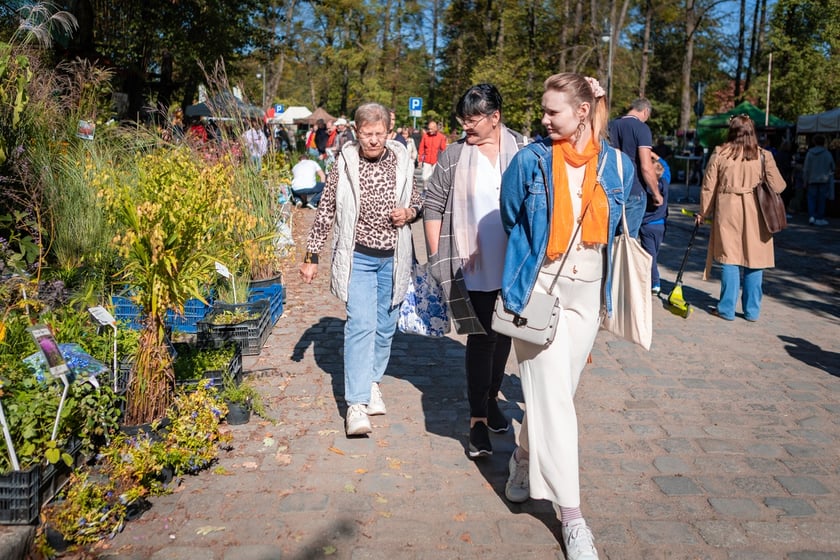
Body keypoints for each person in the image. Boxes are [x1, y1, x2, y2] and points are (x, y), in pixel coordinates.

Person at [498, 73, 632, 560]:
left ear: (581, 112)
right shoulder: (529, 160)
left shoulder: (615, 164)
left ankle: (523, 455)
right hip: (539, 290)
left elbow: (624, 219)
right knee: (554, 398)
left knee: (556, 395)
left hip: (588, 295)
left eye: (553, 111)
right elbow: (511, 213)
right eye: (543, 109)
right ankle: (572, 517)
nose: (544, 118)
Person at [299, 102, 422, 437]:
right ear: (356, 132)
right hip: (358, 259)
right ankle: (355, 404)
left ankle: (371, 382)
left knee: (385, 327)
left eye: (378, 134)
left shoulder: (401, 158)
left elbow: (420, 197)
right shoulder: (346, 162)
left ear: (389, 132)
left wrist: (409, 212)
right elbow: (326, 208)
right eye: (367, 134)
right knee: (361, 325)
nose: (373, 141)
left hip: (394, 258)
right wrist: (312, 256)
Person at [423, 84, 525, 459]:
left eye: (473, 119)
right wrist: (436, 255)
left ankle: (492, 399)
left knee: (506, 336)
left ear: (495, 117)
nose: (466, 126)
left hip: (515, 265)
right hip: (473, 263)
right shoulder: (454, 156)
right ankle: (477, 420)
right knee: (482, 339)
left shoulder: (523, 151)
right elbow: (432, 203)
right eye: (463, 119)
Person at [694, 115, 786, 322]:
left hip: (728, 210)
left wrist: (704, 213)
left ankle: (726, 308)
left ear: (731, 132)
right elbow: (779, 186)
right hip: (757, 212)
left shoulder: (720, 153)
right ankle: (752, 311)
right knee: (755, 260)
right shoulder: (764, 156)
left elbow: (709, 187)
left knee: (730, 259)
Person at [608, 98, 662, 238]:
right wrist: (656, 193)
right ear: (645, 111)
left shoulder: (611, 125)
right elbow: (646, 166)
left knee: (609, 238)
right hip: (634, 189)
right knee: (627, 241)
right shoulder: (641, 128)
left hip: (611, 189)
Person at [639, 153, 671, 295]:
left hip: (646, 226)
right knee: (654, 254)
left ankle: (655, 282)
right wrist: (654, 155)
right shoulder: (665, 183)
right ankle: (652, 279)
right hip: (660, 226)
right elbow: (667, 167)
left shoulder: (644, 186)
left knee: (650, 255)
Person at [803, 134, 835, 226]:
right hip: (823, 179)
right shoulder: (827, 153)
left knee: (811, 199)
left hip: (812, 179)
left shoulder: (810, 153)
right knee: (821, 200)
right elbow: (832, 167)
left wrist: (805, 180)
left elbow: (806, 168)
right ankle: (820, 218)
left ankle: (812, 217)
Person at [418, 120, 447, 187]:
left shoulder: (441, 137)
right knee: (424, 177)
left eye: (431, 129)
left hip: (436, 161)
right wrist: (420, 160)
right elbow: (421, 148)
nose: (429, 130)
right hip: (427, 160)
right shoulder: (425, 136)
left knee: (436, 178)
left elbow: (444, 150)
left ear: (435, 128)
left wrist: (444, 161)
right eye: (429, 129)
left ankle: (433, 192)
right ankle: (425, 189)